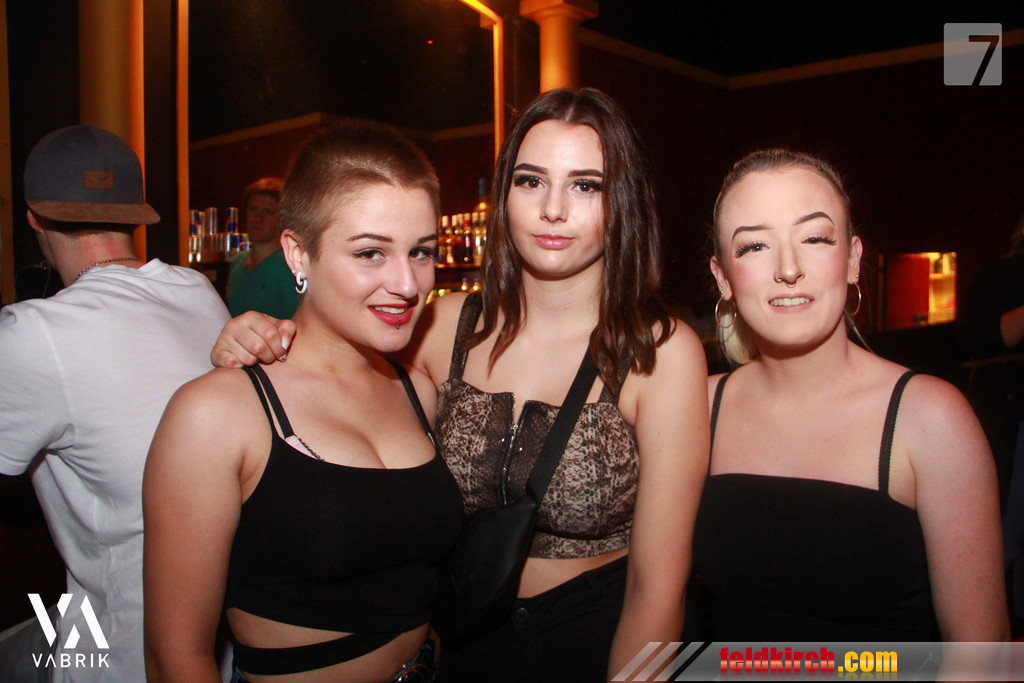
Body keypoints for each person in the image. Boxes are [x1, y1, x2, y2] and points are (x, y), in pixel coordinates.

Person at [211, 87, 710, 682]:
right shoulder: (439, 327)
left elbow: (659, 586)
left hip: (593, 641)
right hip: (462, 646)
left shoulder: (658, 352)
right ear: (504, 195)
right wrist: (262, 336)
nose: (553, 209)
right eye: (530, 181)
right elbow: (331, 365)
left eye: (585, 185)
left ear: (622, 200)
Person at [143, 119, 463, 683]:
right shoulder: (216, 413)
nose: (408, 283)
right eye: (370, 252)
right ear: (298, 253)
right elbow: (176, 658)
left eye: (421, 252)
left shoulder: (417, 389)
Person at [691, 148, 1009, 641]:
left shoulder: (930, 417)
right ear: (723, 278)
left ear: (854, 260)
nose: (788, 268)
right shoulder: (696, 409)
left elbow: (981, 655)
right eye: (754, 246)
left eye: (815, 238)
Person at [0, 123, 230, 682]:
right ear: (135, 214)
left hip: (122, 651)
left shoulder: (34, 334)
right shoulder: (197, 290)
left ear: (34, 219)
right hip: (221, 638)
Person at [226, 177, 298, 318]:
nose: (258, 218)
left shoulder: (288, 266)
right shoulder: (237, 262)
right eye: (253, 209)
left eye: (268, 211)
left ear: (282, 219)